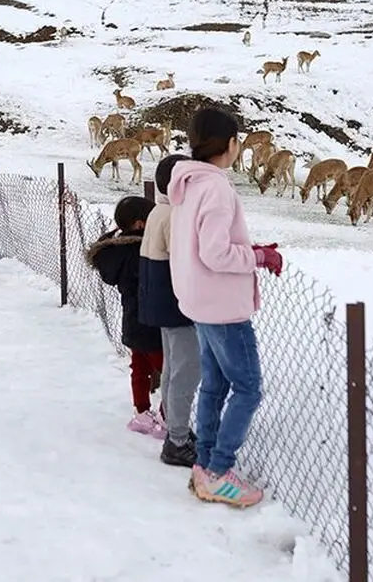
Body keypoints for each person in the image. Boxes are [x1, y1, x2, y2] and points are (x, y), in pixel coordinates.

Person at [167, 106, 283, 508]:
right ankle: (218, 471)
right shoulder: (216, 188)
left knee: (215, 385)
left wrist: (251, 251)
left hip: (198, 301)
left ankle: (204, 467)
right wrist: (259, 258)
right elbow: (215, 253)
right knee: (248, 389)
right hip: (222, 306)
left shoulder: (187, 185)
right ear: (231, 144)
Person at [139, 153, 201, 467]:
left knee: (174, 368)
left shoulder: (158, 212)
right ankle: (177, 439)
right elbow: (184, 260)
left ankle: (175, 430)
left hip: (160, 301)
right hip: (178, 305)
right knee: (186, 371)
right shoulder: (175, 216)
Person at [87, 195, 166, 439]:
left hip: (132, 319)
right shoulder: (145, 251)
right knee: (169, 370)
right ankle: (168, 416)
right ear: (141, 224)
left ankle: (142, 412)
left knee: (139, 367)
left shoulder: (117, 252)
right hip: (153, 321)